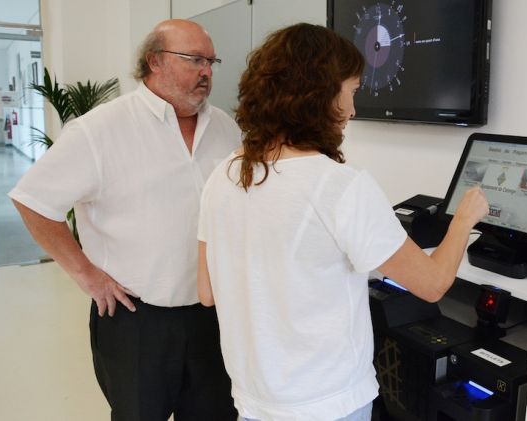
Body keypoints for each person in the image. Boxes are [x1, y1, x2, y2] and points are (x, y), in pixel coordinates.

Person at [197, 23, 489, 421]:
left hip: (255, 402)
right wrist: (465, 218)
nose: (352, 110)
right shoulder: (340, 187)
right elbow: (432, 284)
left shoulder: (223, 175)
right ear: (319, 95)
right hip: (328, 405)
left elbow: (207, 292)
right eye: (351, 92)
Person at [9, 19, 240, 421]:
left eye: (211, 61)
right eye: (194, 60)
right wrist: (86, 274)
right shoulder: (99, 130)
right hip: (136, 320)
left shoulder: (226, 127)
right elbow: (32, 200)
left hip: (212, 314)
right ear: (155, 61)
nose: (206, 71)